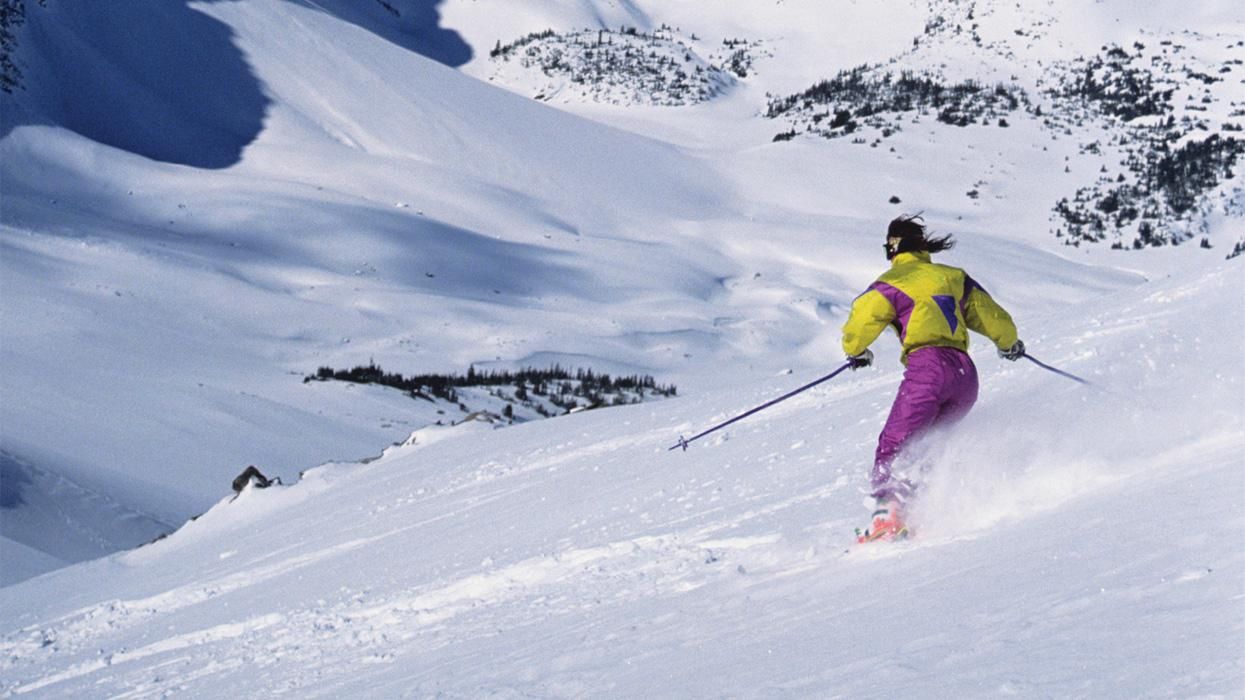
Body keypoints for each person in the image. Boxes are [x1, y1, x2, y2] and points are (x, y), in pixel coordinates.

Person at [842, 215, 1025, 543]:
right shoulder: (952, 277)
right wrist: (1008, 343)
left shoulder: (895, 280)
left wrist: (855, 351)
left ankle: (888, 520)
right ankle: (921, 514)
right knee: (927, 448)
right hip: (965, 378)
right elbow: (991, 314)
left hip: (928, 369)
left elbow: (862, 318)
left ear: (892, 248)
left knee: (895, 444)